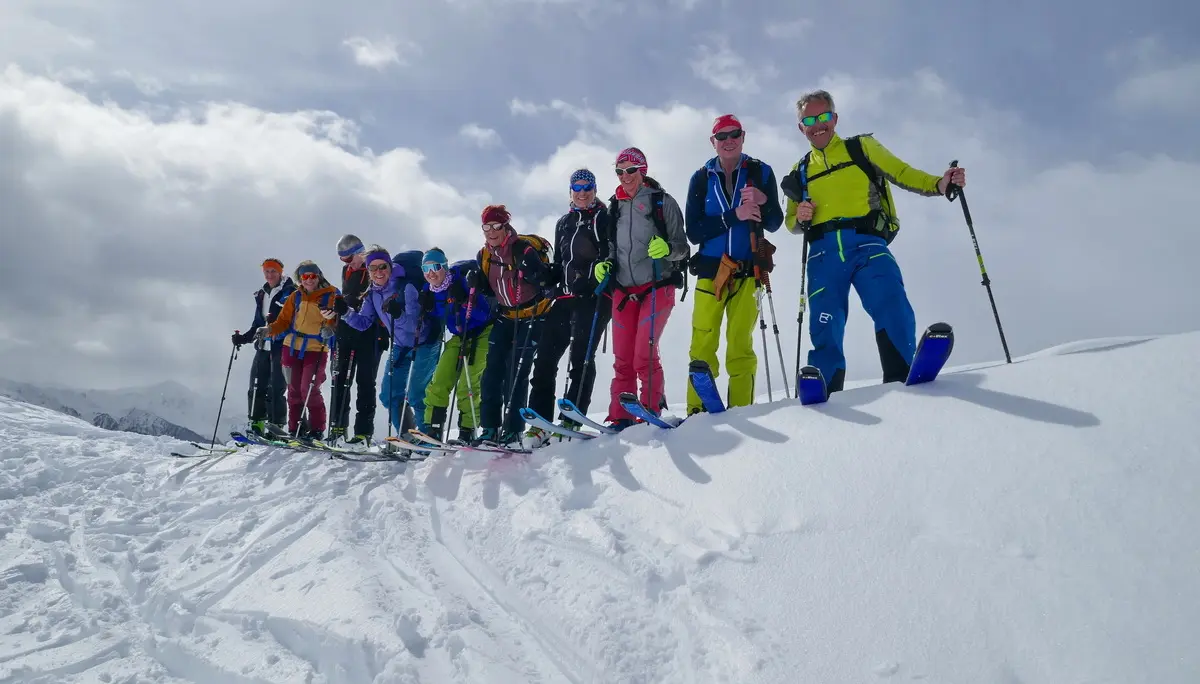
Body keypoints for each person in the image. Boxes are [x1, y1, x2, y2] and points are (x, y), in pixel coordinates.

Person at [780, 89, 967, 393]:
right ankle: (825, 384)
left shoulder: (861, 147)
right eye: (809, 120)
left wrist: (939, 183)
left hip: (867, 243)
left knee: (891, 301)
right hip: (823, 253)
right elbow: (791, 222)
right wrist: (800, 215)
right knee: (825, 321)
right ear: (801, 127)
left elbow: (902, 172)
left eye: (824, 116)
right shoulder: (799, 171)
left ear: (835, 118)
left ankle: (901, 370)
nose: (818, 125)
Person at [683, 114, 783, 414]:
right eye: (721, 136)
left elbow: (776, 222)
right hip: (710, 273)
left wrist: (764, 199)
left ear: (743, 136)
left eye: (734, 134)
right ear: (713, 142)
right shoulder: (701, 178)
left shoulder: (761, 172)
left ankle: (742, 409)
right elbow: (693, 231)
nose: (728, 141)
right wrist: (733, 216)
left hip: (748, 272)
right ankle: (697, 411)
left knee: (741, 345)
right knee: (702, 343)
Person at [594, 147, 689, 429]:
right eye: (620, 172)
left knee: (642, 354)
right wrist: (605, 264)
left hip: (657, 285)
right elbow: (611, 246)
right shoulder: (613, 207)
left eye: (631, 170)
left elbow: (682, 248)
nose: (625, 177)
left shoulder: (662, 202)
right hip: (624, 291)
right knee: (622, 357)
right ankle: (620, 415)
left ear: (642, 170)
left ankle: (650, 409)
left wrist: (667, 249)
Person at [525, 169, 613, 445]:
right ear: (571, 191)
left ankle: (572, 417)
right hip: (564, 299)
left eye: (588, 187)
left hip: (594, 297)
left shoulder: (604, 217)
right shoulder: (564, 222)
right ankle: (539, 423)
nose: (583, 192)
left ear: (595, 189)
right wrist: (546, 275)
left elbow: (611, 253)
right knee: (545, 359)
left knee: (581, 358)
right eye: (577, 187)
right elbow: (561, 261)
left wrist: (596, 277)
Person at [331, 245, 441, 437]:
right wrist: (345, 313)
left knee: (416, 395)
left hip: (425, 342)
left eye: (382, 267)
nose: (378, 272)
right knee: (389, 395)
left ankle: (428, 438)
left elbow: (418, 326)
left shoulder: (404, 287)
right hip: (401, 346)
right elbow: (364, 322)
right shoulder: (372, 293)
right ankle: (408, 437)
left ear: (390, 266)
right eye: (373, 268)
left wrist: (397, 315)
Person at [473, 204, 555, 447]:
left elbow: (548, 280)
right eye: (486, 227)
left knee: (516, 373)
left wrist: (537, 275)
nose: (491, 231)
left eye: (495, 226)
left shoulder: (523, 249)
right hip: (505, 317)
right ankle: (489, 429)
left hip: (531, 316)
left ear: (505, 226)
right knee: (491, 375)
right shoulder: (484, 255)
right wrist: (477, 283)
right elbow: (491, 290)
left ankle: (513, 430)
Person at [254, 260, 340, 440]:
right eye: (304, 277)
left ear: (318, 276)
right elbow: (284, 321)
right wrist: (268, 329)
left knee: (309, 389)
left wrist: (331, 328)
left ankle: (316, 429)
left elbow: (337, 318)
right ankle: (296, 429)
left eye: (312, 276)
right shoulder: (296, 296)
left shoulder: (331, 294)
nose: (308, 280)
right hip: (291, 346)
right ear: (300, 278)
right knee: (293, 390)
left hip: (316, 348)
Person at [416, 248, 493, 444]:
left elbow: (483, 314)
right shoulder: (429, 291)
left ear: (445, 266)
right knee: (439, 380)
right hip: (459, 336)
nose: (430, 272)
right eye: (426, 268)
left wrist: (466, 301)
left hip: (482, 332)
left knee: (468, 384)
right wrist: (427, 309)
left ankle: (467, 431)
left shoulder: (462, 282)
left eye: (435, 266)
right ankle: (433, 430)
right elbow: (439, 316)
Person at [328, 234, 389, 445]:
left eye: (349, 258)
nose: (347, 264)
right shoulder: (348, 270)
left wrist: (382, 332)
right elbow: (348, 296)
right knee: (340, 378)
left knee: (365, 381)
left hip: (369, 331)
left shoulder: (373, 268)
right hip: (346, 327)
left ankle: (363, 432)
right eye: (343, 260)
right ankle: (338, 426)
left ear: (359, 251)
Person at [232, 258, 296, 437]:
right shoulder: (261, 293)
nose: (269, 275)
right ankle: (257, 423)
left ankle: (276, 426)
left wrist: (275, 333)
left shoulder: (290, 292)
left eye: (273, 271)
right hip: (262, 345)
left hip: (281, 345)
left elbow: (292, 322)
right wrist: (243, 338)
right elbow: (257, 323)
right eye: (266, 271)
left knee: (276, 387)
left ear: (280, 272)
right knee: (256, 384)